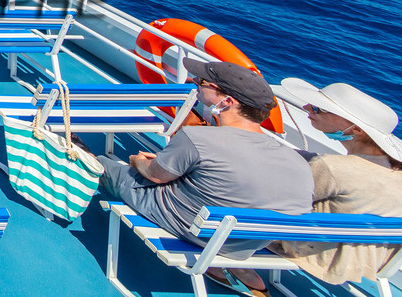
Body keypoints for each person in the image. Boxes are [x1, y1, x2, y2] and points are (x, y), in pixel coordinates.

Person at [98, 59, 313, 276]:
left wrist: (138, 161)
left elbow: (154, 176)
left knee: (101, 163)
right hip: (241, 249)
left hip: (191, 229)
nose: (193, 81)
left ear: (227, 101)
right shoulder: (298, 162)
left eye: (202, 82)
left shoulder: (197, 137)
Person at [263, 79, 402, 286]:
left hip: (316, 259)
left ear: (356, 130)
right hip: (366, 266)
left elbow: (278, 202)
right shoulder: (394, 172)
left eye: (319, 109)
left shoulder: (331, 167)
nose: (307, 107)